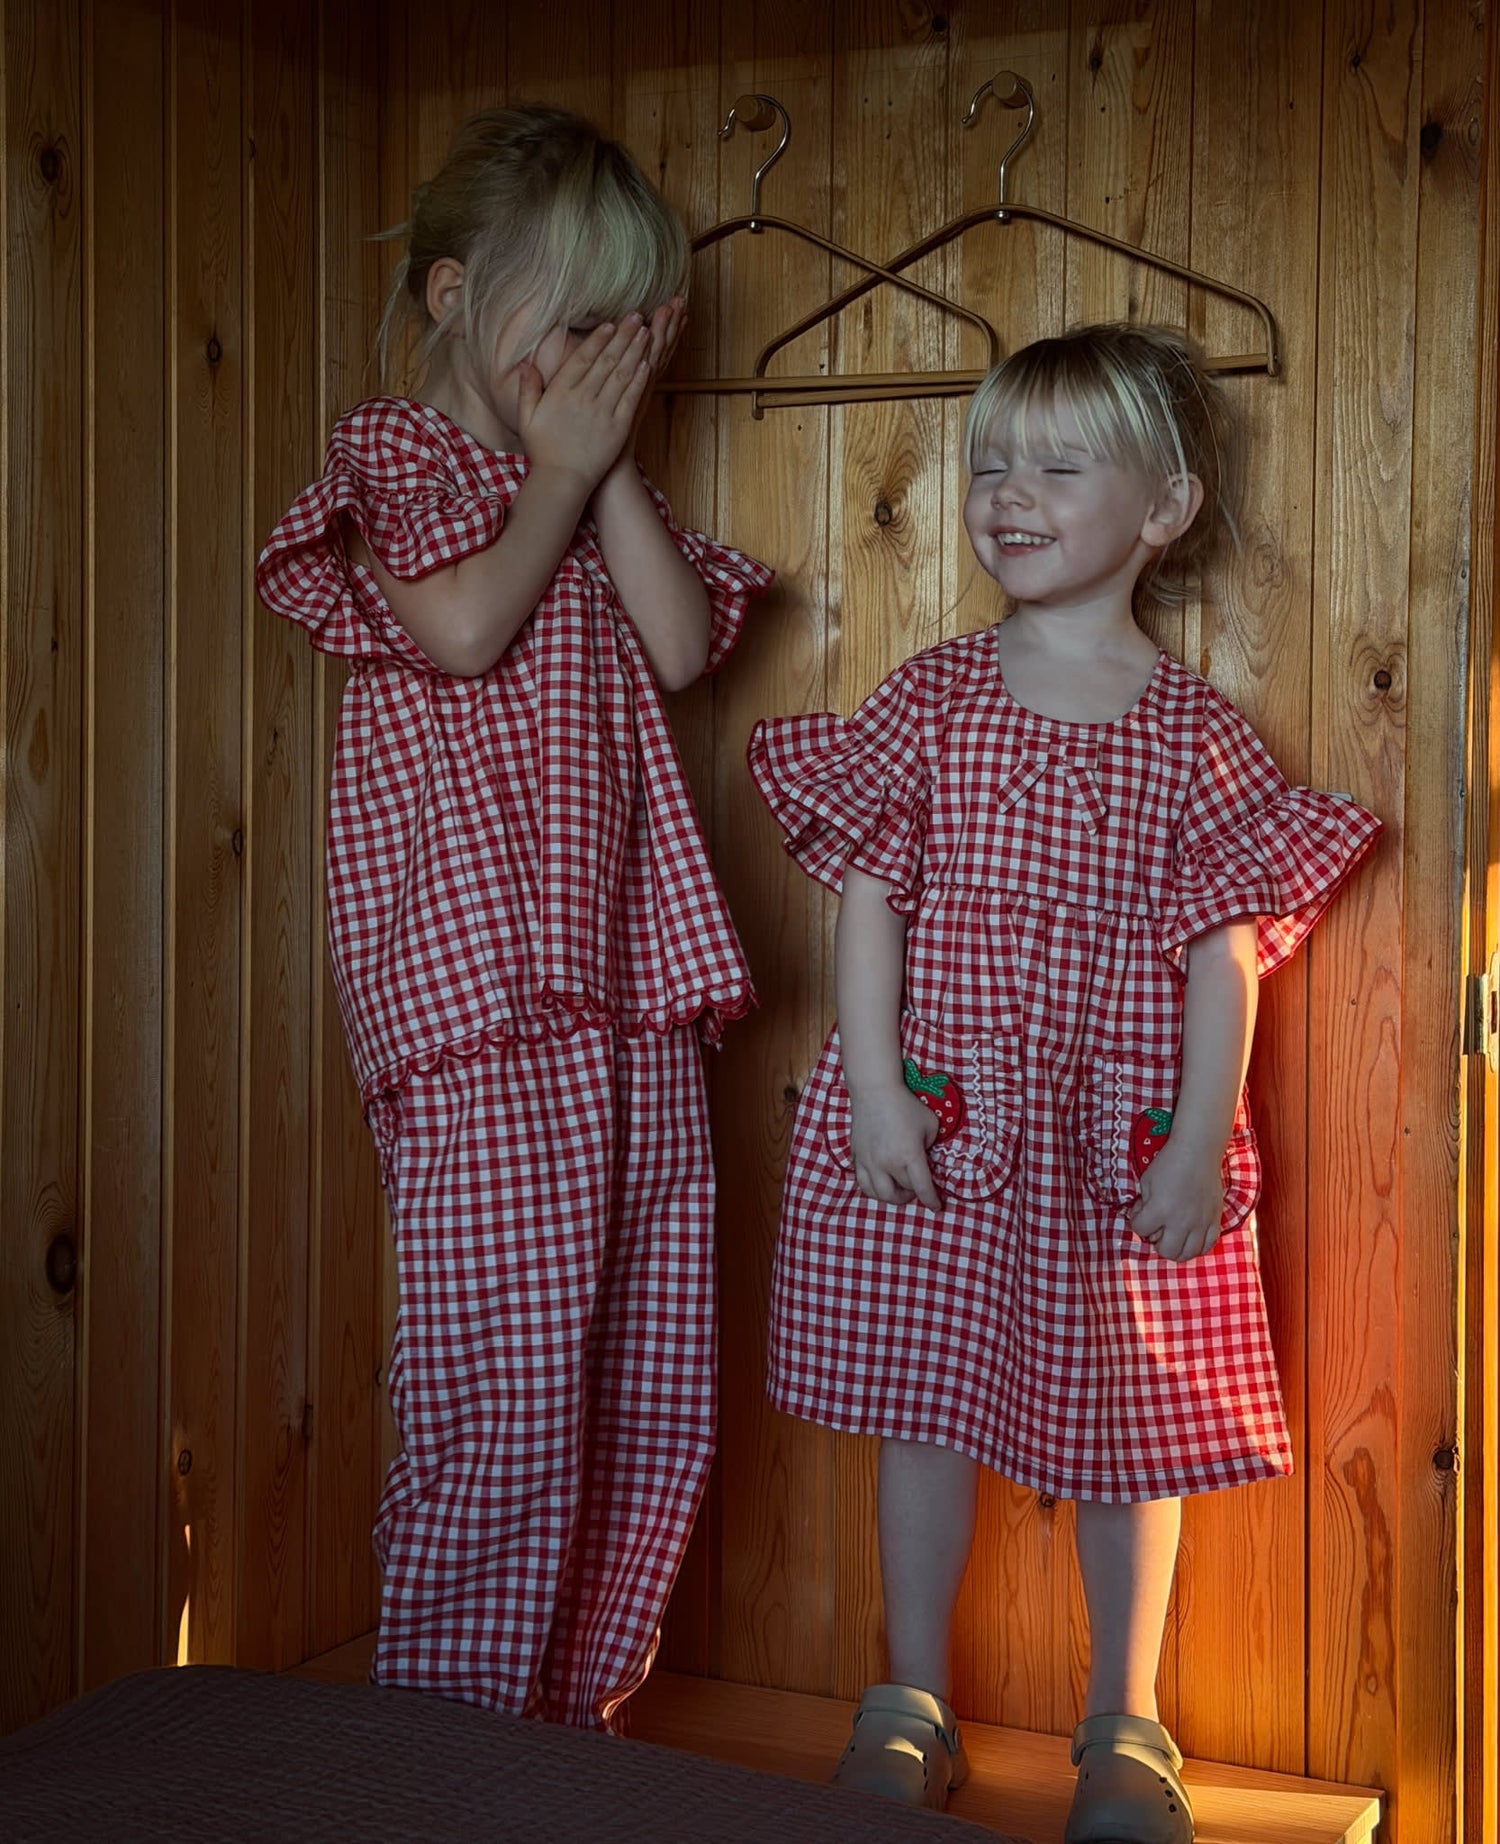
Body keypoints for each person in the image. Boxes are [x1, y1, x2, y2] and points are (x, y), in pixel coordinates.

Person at [747, 323, 1380, 1841]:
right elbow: (872, 898)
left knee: (1132, 1420)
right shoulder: (934, 698)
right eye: (986, 463)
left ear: (1161, 511)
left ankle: (1129, 1723)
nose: (1004, 491)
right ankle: (909, 1700)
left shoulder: (1195, 736)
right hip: (949, 1115)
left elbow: (1224, 961)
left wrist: (1198, 1149)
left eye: (1054, 463)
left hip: (1115, 1140)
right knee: (922, 1402)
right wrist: (883, 1097)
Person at [256, 104, 771, 1730]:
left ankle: (567, 1739)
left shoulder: (596, 480)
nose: (598, 360)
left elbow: (685, 648)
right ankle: (446, 1753)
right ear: (452, 299)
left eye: (626, 331)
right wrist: (556, 474)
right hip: (477, 1009)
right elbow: (467, 630)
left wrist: (599, 471)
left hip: (629, 994)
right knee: (504, 1401)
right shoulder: (397, 460)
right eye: (569, 319)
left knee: (651, 1390)